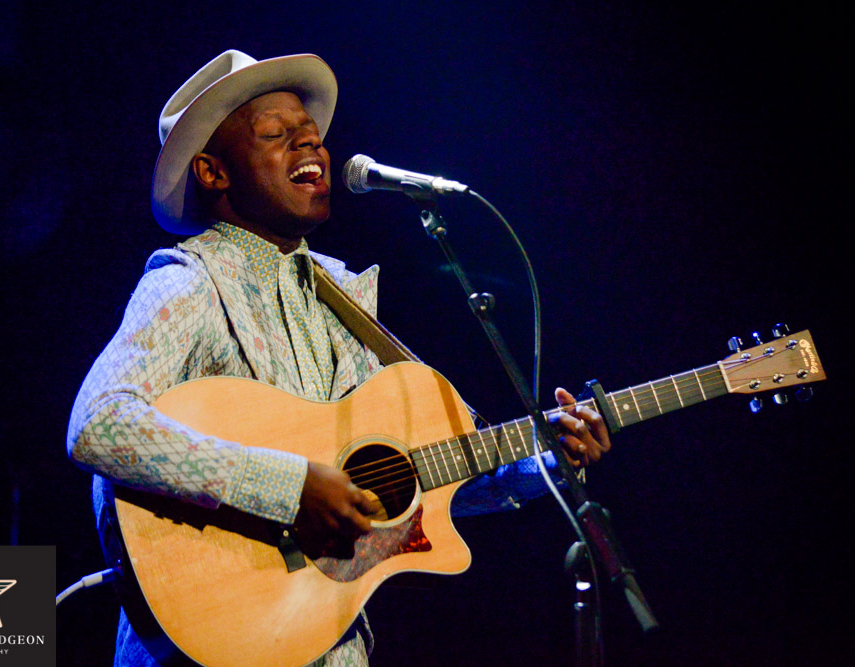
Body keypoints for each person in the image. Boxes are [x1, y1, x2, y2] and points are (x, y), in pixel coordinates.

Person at [66, 50, 611, 667]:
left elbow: (417, 483)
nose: (312, 145)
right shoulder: (189, 282)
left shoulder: (342, 296)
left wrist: (545, 461)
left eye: (312, 133)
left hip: (330, 644)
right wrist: (289, 486)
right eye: (277, 134)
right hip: (213, 641)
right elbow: (99, 425)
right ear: (213, 172)